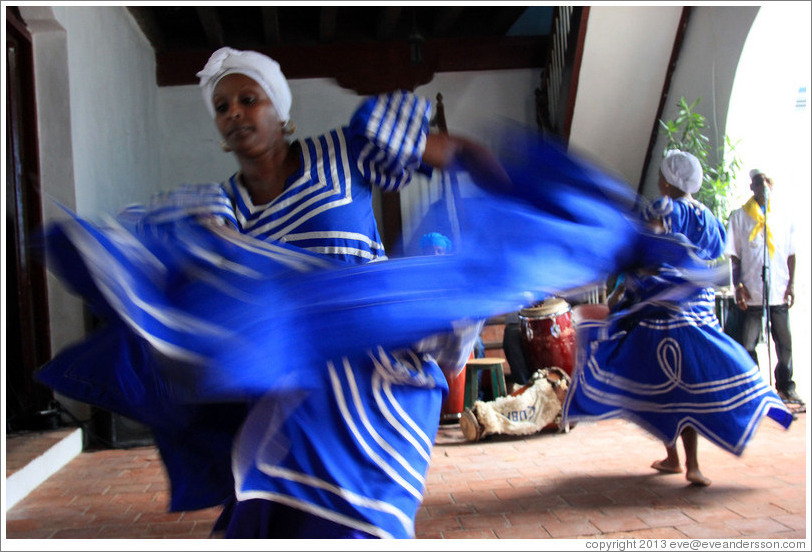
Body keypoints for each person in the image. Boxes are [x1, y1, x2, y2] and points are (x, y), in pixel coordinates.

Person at [562, 150, 794, 487]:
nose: (658, 180)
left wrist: (624, 288)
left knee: (668, 387)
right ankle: (676, 459)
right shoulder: (709, 218)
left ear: (669, 180)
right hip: (700, 313)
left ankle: (690, 463)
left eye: (660, 175)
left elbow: (652, 251)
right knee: (677, 388)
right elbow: (712, 260)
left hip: (664, 316)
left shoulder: (664, 209)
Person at [725, 169, 802, 406]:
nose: (763, 187)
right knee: (748, 343)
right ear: (751, 187)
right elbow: (734, 256)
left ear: (772, 186)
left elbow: (791, 254)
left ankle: (785, 387)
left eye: (767, 182)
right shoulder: (739, 217)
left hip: (777, 289)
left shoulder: (783, 217)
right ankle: (755, 387)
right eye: (759, 183)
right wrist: (738, 285)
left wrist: (791, 284)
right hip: (751, 290)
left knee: (784, 343)